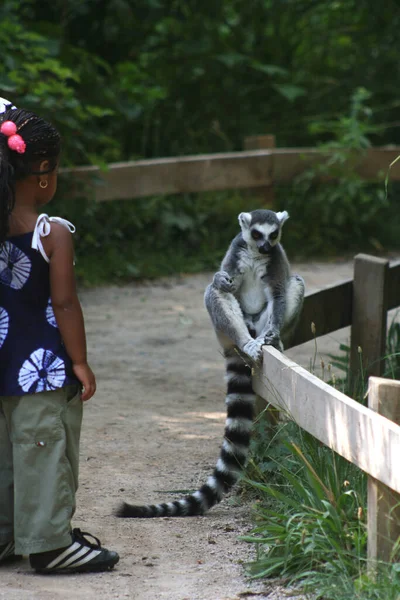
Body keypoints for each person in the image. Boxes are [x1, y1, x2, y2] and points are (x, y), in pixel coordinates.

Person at [0, 106, 119, 573]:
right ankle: (50, 544)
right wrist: (81, 361)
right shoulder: (52, 233)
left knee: (6, 455)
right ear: (45, 175)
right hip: (42, 370)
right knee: (43, 451)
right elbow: (65, 304)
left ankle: (7, 537)